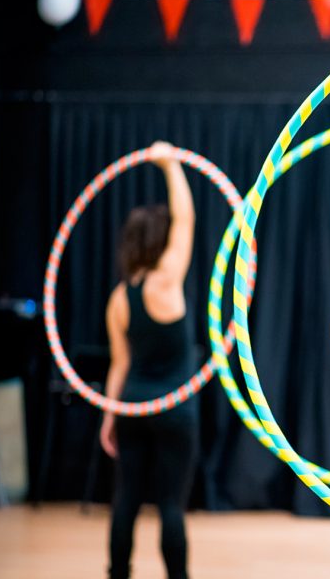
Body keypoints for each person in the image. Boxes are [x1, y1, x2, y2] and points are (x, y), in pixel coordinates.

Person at [100, 141, 198, 579]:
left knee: (126, 498)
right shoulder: (167, 280)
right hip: (175, 408)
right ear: (159, 242)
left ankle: (117, 573)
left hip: (132, 406)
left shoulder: (119, 298)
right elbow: (186, 219)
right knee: (170, 503)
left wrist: (109, 415)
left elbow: (118, 366)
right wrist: (171, 164)